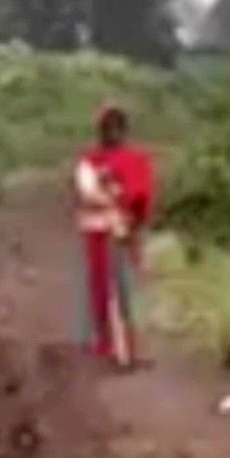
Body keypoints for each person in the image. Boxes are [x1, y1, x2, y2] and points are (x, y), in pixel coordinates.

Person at [75, 104, 156, 368]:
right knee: (121, 288)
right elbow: (141, 196)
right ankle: (124, 347)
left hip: (108, 229)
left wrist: (120, 207)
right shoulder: (134, 159)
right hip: (116, 228)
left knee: (111, 288)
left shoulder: (92, 161)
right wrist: (131, 215)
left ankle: (117, 346)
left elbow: (89, 194)